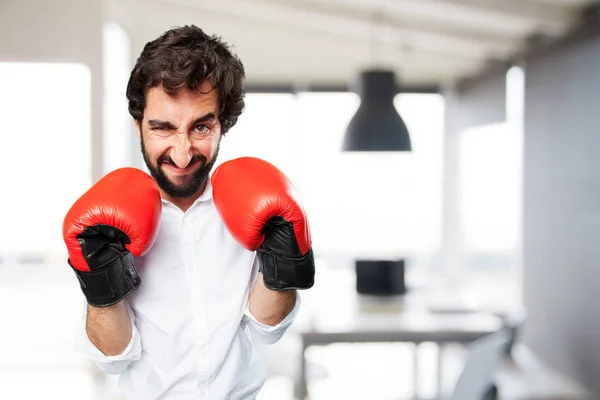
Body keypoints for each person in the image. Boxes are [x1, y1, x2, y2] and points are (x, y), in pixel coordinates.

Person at [62, 25, 315, 400]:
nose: (182, 154)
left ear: (222, 124)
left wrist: (287, 256)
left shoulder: (251, 205)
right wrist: (101, 282)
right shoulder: (110, 220)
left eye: (200, 127)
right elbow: (112, 357)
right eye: (162, 128)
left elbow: (268, 329)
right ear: (138, 126)